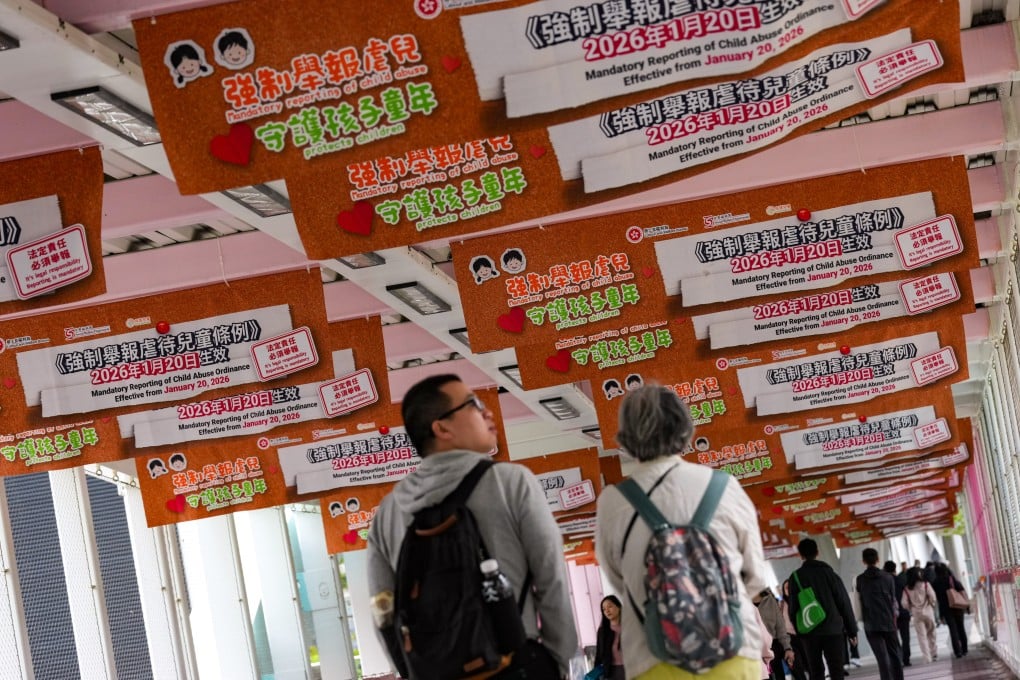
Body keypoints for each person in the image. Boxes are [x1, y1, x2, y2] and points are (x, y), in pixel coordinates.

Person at [366, 374, 577, 678]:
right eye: (474, 404)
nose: (487, 412)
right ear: (442, 427)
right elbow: (551, 576)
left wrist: (413, 672)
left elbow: (382, 612)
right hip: (517, 665)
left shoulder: (387, 513)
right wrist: (558, 661)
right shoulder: (510, 481)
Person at [595, 384, 768, 680]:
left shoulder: (613, 501)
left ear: (625, 438)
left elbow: (619, 581)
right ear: (686, 428)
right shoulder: (723, 486)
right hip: (733, 653)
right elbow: (755, 579)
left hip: (654, 660)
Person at [788, 538, 858, 680]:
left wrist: (799, 631)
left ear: (800, 555)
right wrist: (852, 630)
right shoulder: (830, 574)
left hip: (809, 632)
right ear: (817, 553)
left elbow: (793, 609)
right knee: (836, 669)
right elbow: (844, 602)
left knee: (815, 671)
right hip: (833, 629)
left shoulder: (795, 578)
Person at [855, 548, 903, 680]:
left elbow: (858, 602)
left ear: (863, 561)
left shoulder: (859, 580)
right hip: (888, 622)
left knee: (882, 659)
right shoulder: (888, 577)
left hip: (871, 624)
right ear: (878, 560)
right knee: (895, 655)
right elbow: (893, 601)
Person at [753, 588, 794, 680]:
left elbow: (780, 626)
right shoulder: (744, 603)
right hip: (756, 650)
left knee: (779, 676)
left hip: (773, 647)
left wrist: (787, 647)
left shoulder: (769, 600)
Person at [931, 562, 969, 658]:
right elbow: (962, 591)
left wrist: (940, 614)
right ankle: (964, 649)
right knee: (961, 628)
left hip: (946, 609)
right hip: (957, 606)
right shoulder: (951, 579)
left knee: (953, 630)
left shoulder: (935, 583)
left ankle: (957, 652)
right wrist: (967, 605)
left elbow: (937, 599)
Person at [900, 567, 937, 663]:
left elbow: (904, 603)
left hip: (916, 614)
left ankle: (927, 658)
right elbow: (932, 596)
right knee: (931, 633)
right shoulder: (925, 584)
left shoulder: (907, 589)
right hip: (928, 611)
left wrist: (910, 608)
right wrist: (932, 604)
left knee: (921, 636)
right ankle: (934, 653)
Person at [780, 580, 809, 680]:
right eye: (786, 588)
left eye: (790, 587)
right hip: (790, 638)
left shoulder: (801, 599)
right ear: (783, 590)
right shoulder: (782, 604)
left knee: (810, 664)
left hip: (804, 635)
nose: (788, 589)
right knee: (797, 666)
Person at [886, 561, 911, 667]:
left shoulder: (885, 582)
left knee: (893, 638)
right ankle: (906, 659)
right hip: (903, 612)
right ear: (895, 569)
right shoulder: (901, 580)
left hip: (891, 615)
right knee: (905, 637)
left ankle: (898, 658)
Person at [595, 596, 625, 680]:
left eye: (610, 606)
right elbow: (599, 654)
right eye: (604, 609)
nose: (607, 611)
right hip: (611, 672)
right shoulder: (602, 631)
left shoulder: (628, 626)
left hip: (631, 668)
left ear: (619, 607)